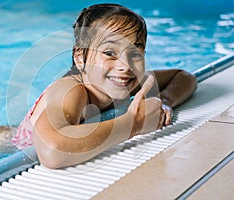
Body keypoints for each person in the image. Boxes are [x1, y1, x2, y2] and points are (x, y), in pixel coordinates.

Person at [11, 3, 197, 169]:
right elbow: (51, 151)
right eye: (109, 53)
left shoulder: (124, 81)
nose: (125, 66)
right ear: (80, 58)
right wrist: (135, 123)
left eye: (135, 53)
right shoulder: (72, 90)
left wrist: (163, 102)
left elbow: (184, 77)